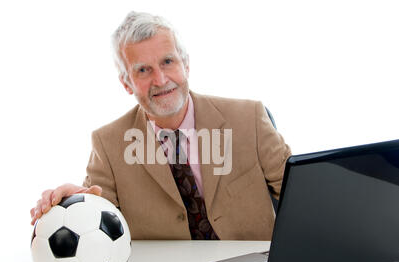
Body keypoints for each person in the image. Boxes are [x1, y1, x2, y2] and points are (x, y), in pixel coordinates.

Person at [30, 11, 291, 240]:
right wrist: (74, 203)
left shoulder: (249, 118)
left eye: (168, 62)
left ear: (186, 64)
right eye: (143, 70)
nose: (160, 79)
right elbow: (97, 217)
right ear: (126, 83)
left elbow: (302, 195)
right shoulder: (108, 143)